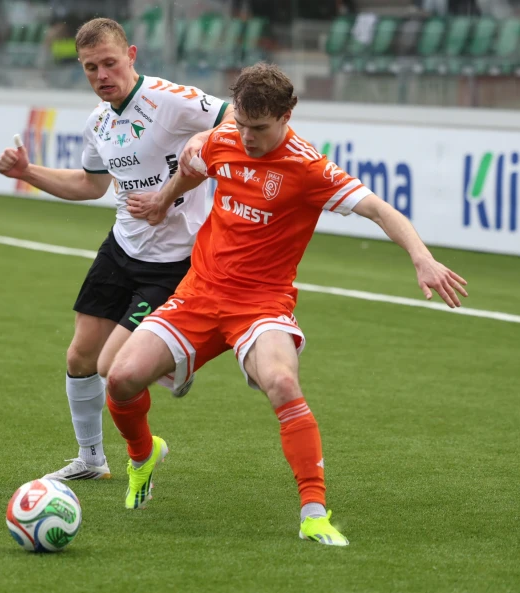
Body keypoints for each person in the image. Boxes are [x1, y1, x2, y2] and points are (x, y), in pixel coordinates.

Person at [116, 63, 468, 544]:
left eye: (259, 128)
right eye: (242, 124)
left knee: (282, 382)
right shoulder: (224, 139)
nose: (247, 137)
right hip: (199, 293)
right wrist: (162, 199)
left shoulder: (308, 167)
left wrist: (422, 258)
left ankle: (314, 513)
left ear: (287, 115)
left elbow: (379, 209)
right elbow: (195, 168)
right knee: (121, 378)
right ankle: (143, 456)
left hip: (261, 304)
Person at [0, 17, 232, 481]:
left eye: (109, 63)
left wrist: (196, 150)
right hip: (121, 249)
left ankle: (172, 365)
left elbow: (234, 119)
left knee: (112, 367)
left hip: (173, 263)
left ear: (131, 56)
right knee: (79, 358)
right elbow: (90, 185)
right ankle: (91, 460)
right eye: (90, 68)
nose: (102, 75)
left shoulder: (169, 100)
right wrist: (27, 172)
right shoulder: (99, 121)